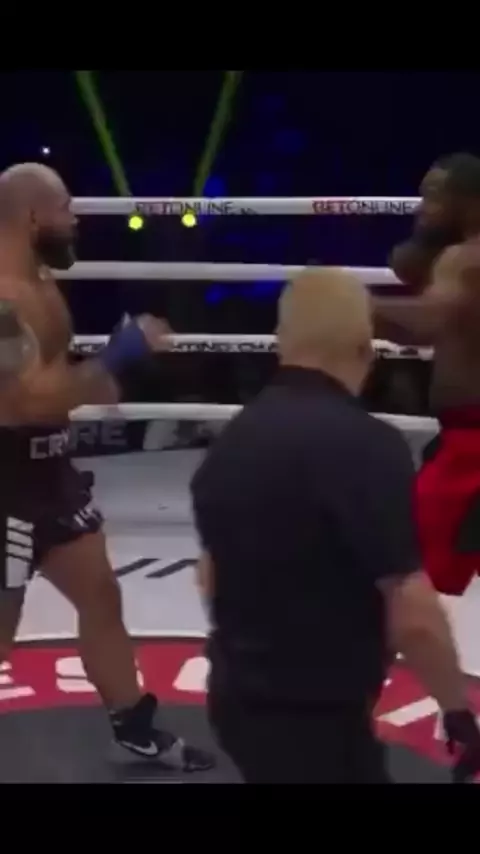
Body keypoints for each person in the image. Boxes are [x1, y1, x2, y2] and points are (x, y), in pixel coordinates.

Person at [190, 267, 480, 784]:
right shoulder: (369, 447)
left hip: (236, 700)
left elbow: (210, 575)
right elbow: (411, 610)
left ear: (282, 341)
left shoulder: (230, 442)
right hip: (320, 714)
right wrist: (456, 709)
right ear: (365, 350)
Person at [0, 162, 213, 772]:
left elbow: (52, 382)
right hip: (5, 481)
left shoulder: (40, 285)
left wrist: (101, 374)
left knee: (100, 594)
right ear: (33, 216)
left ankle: (133, 728)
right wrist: (119, 356)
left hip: (51, 472)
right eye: (66, 209)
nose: (76, 221)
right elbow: (23, 402)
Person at [377, 152, 480, 597]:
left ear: (470, 202)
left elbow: (427, 321)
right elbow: (409, 267)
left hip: (472, 447)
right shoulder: (454, 257)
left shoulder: (466, 258)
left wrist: (349, 304)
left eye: (435, 196)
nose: (423, 208)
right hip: (464, 438)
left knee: (409, 578)